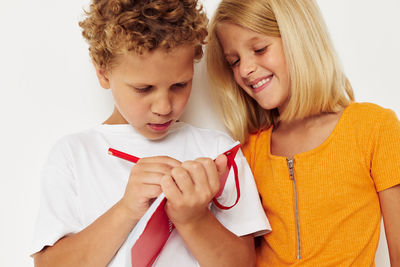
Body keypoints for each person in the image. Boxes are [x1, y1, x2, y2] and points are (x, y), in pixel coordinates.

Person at [30, 0, 271, 266]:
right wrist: (126, 209)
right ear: (103, 72)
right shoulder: (74, 155)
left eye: (180, 84)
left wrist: (194, 219)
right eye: (144, 89)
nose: (164, 107)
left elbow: (244, 263)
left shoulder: (219, 153)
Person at [206, 0, 400, 266]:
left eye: (260, 49)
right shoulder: (250, 150)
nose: (245, 69)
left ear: (299, 38)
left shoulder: (374, 127)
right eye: (234, 61)